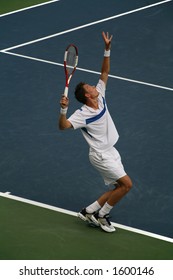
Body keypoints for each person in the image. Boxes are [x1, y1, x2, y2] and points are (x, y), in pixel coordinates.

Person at [59, 31, 132, 233]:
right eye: (90, 86)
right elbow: (63, 126)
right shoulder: (82, 114)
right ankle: (102, 215)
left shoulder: (100, 96)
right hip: (100, 155)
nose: (94, 85)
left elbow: (104, 73)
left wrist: (107, 50)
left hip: (111, 151)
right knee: (126, 185)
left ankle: (88, 211)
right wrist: (63, 110)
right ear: (87, 96)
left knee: (118, 186)